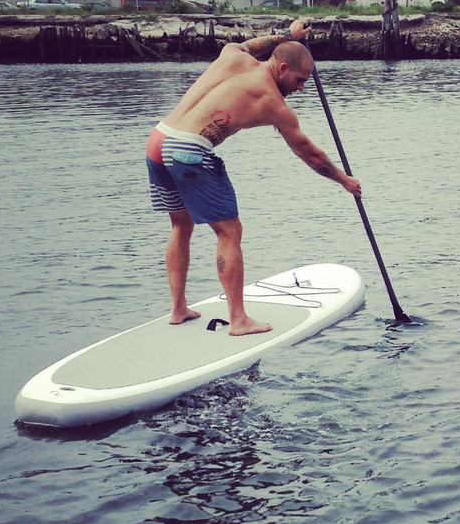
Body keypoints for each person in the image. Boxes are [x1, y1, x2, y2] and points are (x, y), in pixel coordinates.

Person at [146, 19, 362, 335]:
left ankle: (178, 309)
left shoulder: (234, 55)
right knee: (230, 231)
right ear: (283, 67)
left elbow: (253, 45)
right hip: (188, 149)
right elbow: (307, 152)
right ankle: (238, 320)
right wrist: (344, 180)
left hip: (158, 138)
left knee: (181, 225)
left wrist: (288, 35)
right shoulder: (272, 103)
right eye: (300, 80)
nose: (301, 89)